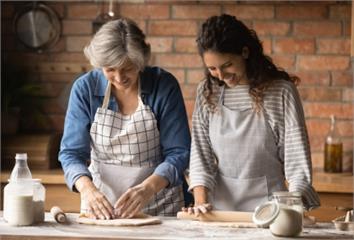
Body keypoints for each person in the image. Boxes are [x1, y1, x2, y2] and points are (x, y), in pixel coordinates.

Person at [185, 14, 320, 215]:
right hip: (220, 214)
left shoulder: (281, 92)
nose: (221, 76)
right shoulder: (207, 92)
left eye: (227, 65)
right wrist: (200, 203)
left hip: (272, 212)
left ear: (245, 52)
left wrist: (290, 211)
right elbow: (200, 156)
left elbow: (297, 163)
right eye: (212, 68)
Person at [59, 18, 191, 220]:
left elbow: (179, 152)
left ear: (141, 62)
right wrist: (87, 189)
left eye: (128, 67)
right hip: (100, 203)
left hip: (159, 200)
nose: (120, 78)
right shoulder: (84, 89)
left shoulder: (163, 86)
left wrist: (148, 188)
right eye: (110, 69)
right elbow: (71, 153)